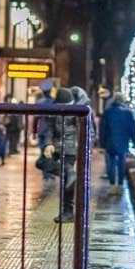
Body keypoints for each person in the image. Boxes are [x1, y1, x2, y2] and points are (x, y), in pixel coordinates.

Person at [44, 83, 90, 222]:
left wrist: (84, 151)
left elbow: (88, 132)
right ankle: (69, 172)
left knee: (67, 183)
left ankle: (68, 212)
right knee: (42, 163)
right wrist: (49, 144)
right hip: (58, 147)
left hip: (71, 149)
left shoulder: (82, 109)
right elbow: (50, 127)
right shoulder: (58, 106)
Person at [98, 93, 135, 190]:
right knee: (121, 162)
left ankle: (112, 184)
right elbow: (132, 128)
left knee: (111, 162)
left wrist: (102, 143)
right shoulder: (128, 113)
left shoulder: (107, 112)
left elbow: (102, 128)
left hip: (110, 141)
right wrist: (134, 141)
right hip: (123, 141)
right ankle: (120, 184)